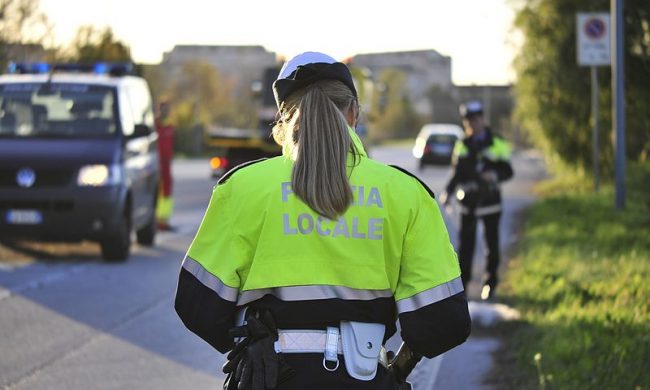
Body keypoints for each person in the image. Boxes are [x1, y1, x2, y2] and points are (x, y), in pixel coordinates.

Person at [174, 52, 470, 390]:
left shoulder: (240, 188)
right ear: (354, 113)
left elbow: (197, 306)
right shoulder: (406, 193)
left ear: (281, 123)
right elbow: (443, 323)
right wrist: (394, 365)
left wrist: (250, 341)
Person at [441, 100, 514, 300]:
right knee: (466, 248)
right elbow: (456, 173)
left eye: (475, 119)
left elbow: (508, 170)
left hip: (490, 202)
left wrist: (494, 175)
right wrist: (447, 192)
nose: (472, 123)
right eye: (468, 121)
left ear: (482, 119)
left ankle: (490, 284)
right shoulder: (463, 144)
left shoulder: (497, 141)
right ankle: (463, 287)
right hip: (468, 203)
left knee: (491, 245)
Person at [155, 99, 174, 231]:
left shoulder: (171, 127)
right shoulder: (155, 126)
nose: (165, 112)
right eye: (163, 109)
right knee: (155, 190)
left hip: (166, 163)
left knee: (166, 191)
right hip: (156, 163)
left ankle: (164, 219)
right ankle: (155, 220)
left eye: (167, 109)